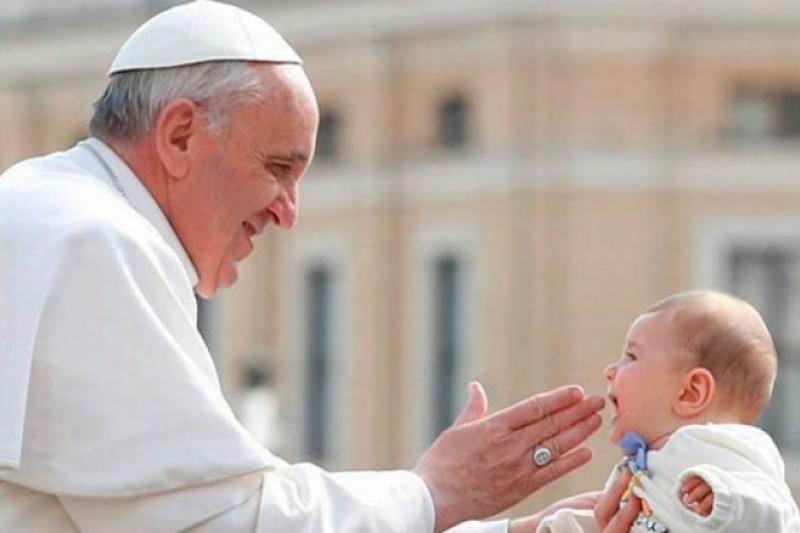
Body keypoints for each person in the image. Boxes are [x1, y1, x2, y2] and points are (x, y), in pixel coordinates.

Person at [0, 1, 636, 531]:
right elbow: (219, 520)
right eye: (277, 168)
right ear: (180, 136)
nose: (288, 212)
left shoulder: (48, 207)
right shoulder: (94, 242)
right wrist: (436, 494)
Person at [535, 290, 800, 532]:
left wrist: (726, 497)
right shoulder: (645, 467)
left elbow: (777, 512)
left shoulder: (723, 446)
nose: (610, 371)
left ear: (690, 392)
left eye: (631, 356)